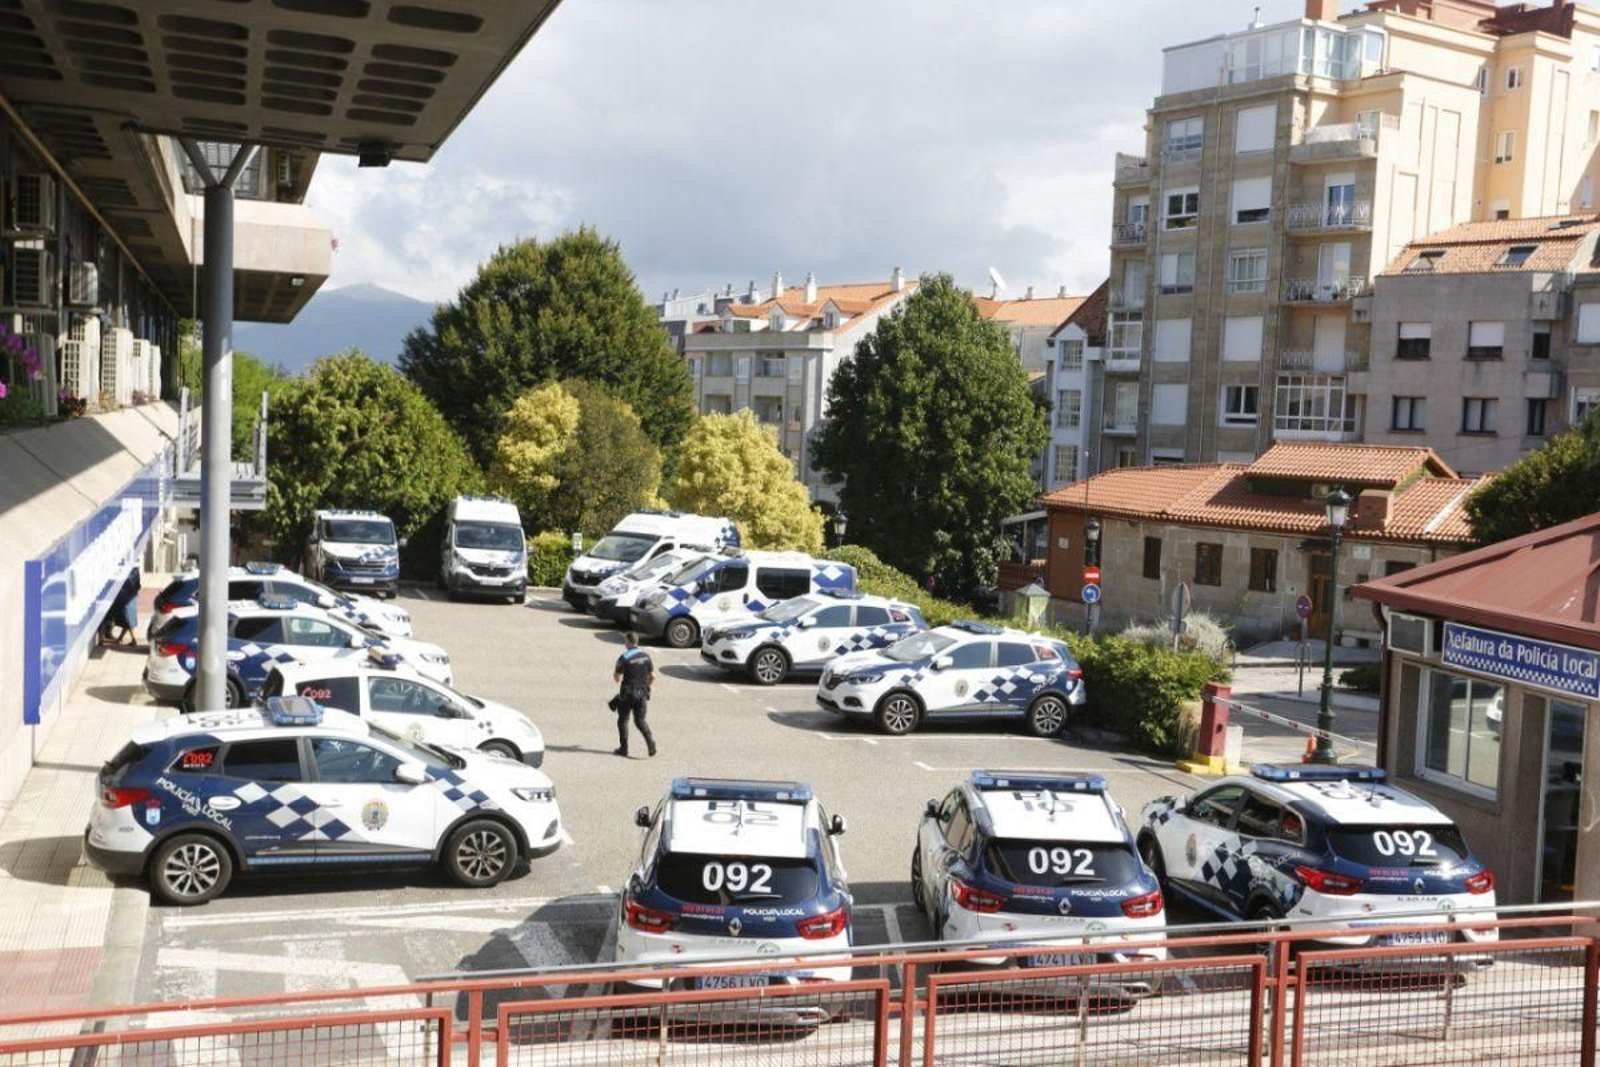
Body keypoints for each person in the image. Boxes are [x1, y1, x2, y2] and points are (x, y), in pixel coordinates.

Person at [612, 632, 657, 758]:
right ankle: (651, 743)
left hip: (627, 693)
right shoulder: (646, 656)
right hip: (642, 692)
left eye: (625, 641)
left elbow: (617, 677)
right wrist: (646, 685)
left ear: (629, 642)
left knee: (623, 719)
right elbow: (653, 676)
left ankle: (624, 748)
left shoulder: (624, 657)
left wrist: (617, 675)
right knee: (640, 720)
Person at [100, 567, 140, 647]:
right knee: (129, 618)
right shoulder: (135, 571)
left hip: (122, 596)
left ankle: (101, 639)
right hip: (129, 596)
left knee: (109, 615)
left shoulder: (127, 571)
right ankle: (124, 639)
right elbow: (137, 585)